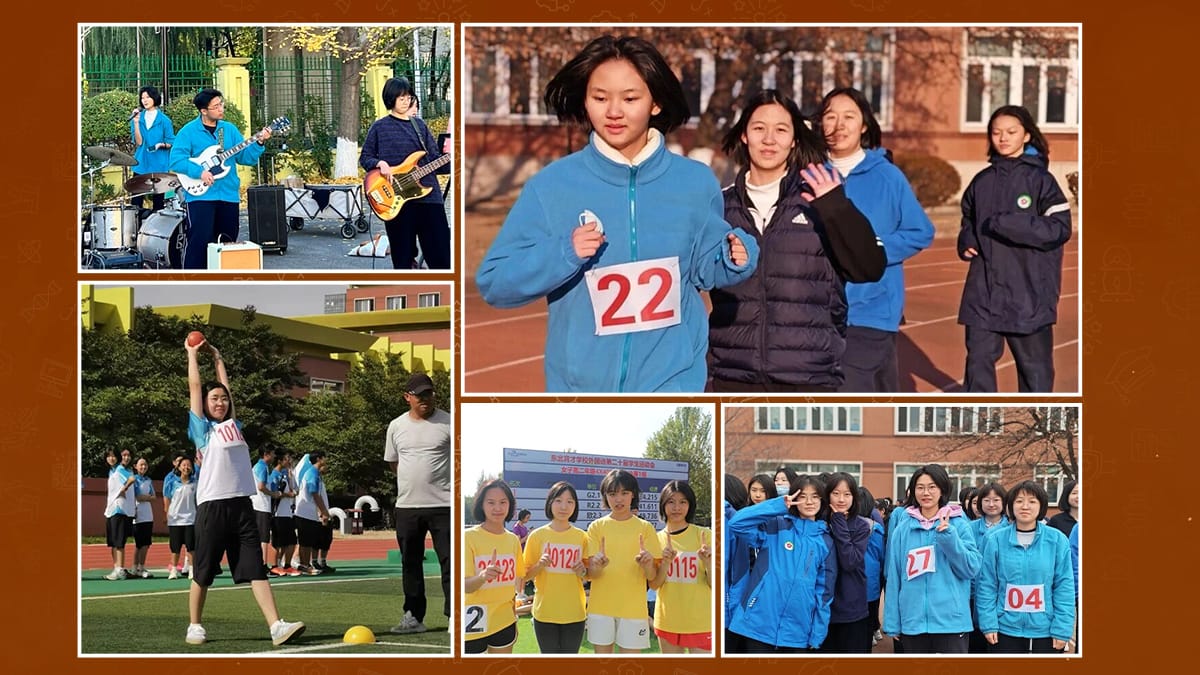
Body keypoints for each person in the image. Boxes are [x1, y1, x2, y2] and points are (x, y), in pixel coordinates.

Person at [476, 35, 759, 393]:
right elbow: (495, 282)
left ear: (655, 102)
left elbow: (705, 267)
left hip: (673, 385)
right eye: (599, 98)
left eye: (630, 98)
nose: (613, 112)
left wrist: (733, 257)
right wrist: (564, 253)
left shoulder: (695, 181)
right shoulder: (550, 187)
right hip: (580, 393)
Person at [708, 89, 885, 392]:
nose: (769, 139)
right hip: (733, 379)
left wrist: (836, 209)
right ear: (744, 136)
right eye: (759, 128)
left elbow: (869, 267)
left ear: (794, 140)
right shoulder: (718, 207)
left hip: (808, 381)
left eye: (781, 130)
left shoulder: (822, 201)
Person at [183, 336, 304, 647]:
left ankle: (276, 626)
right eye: (214, 399)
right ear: (205, 405)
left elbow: (228, 390)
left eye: (223, 398)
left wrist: (219, 358)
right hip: (212, 507)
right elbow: (195, 387)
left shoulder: (234, 425)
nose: (220, 402)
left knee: (254, 568)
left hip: (242, 507)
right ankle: (195, 624)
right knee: (204, 570)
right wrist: (193, 356)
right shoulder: (202, 430)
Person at [816, 87, 934, 392]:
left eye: (849, 117)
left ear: (864, 125)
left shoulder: (887, 176)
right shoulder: (810, 175)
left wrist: (874, 249)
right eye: (830, 117)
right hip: (819, 311)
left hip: (872, 309)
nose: (839, 125)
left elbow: (920, 231)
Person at [958, 105, 1072, 392]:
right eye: (996, 133)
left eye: (1011, 132)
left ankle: (1038, 429)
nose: (1003, 138)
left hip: (1028, 294)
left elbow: (1060, 228)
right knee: (978, 365)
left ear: (1026, 136)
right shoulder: (981, 181)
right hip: (983, 294)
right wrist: (967, 239)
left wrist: (1010, 224)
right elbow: (968, 218)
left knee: (1035, 374)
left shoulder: (1041, 181)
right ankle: (980, 429)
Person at [726, 475, 836, 653]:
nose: (809, 502)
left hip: (797, 632)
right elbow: (737, 523)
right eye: (802, 496)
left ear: (822, 501)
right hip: (758, 624)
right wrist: (777, 505)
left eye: (815, 496)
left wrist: (817, 633)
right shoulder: (776, 526)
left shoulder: (826, 541)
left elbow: (824, 592)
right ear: (793, 498)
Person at [169, 88, 272, 270]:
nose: (221, 108)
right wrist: (199, 172)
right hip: (201, 197)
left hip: (228, 195)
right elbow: (176, 160)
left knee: (227, 243)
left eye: (221, 104)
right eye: (216, 106)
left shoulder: (229, 130)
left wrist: (260, 143)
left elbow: (245, 158)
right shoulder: (188, 132)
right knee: (199, 242)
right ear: (203, 111)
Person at [882, 464, 980, 653]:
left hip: (951, 623)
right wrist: (893, 621)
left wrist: (949, 539)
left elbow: (971, 568)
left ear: (942, 489)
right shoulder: (903, 528)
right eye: (920, 487)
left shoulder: (959, 524)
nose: (926, 492)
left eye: (932, 486)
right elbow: (893, 576)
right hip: (913, 622)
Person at [384, 372, 452, 634]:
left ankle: (454, 616)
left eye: (429, 393)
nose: (425, 399)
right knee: (410, 564)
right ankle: (413, 616)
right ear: (407, 397)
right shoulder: (396, 426)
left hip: (444, 507)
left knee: (450, 562)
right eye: (419, 394)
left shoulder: (451, 422)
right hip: (407, 507)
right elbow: (393, 463)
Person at [359, 77, 451, 270]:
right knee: (402, 258)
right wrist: (379, 163)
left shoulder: (420, 126)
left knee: (441, 257)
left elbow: (435, 160)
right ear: (390, 99)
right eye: (401, 97)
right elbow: (365, 158)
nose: (406, 101)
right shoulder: (379, 127)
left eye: (408, 97)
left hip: (429, 198)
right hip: (395, 200)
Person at [977, 481, 1075, 653]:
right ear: (1011, 506)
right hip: (1004, 628)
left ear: (1041, 506)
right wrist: (988, 623)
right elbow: (987, 585)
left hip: (1046, 629)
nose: (1025, 506)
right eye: (1019, 501)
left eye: (1032, 501)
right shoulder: (996, 540)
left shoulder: (1057, 540)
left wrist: (1062, 627)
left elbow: (1064, 586)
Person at [584, 469, 663, 653]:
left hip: (633, 609)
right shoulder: (596, 527)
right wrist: (597, 565)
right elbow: (591, 576)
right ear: (605, 496)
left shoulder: (645, 528)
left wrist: (647, 564)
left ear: (632, 495)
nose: (618, 499)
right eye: (612, 494)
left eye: (624, 493)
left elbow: (652, 578)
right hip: (600, 608)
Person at [522, 481, 589, 654]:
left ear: (575, 506)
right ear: (550, 502)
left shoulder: (582, 537)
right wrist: (540, 565)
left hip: (575, 612)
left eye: (570, 501)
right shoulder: (537, 536)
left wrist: (581, 570)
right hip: (545, 612)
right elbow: (525, 576)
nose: (564, 506)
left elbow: (587, 576)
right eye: (558, 500)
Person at [649, 480, 712, 654]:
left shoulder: (705, 536)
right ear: (663, 505)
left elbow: (714, 584)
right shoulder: (655, 540)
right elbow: (654, 585)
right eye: (671, 501)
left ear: (690, 505)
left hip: (701, 622)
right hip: (667, 620)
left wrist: (708, 562)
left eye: (683, 502)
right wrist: (666, 563)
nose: (677, 507)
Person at [463, 479, 524, 654]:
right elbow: (465, 586)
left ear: (510, 506)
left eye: (503, 502)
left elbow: (517, 581)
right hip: (473, 620)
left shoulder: (513, 540)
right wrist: (483, 576)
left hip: (505, 621)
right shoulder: (468, 537)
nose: (497, 508)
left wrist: (514, 617)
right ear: (481, 505)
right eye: (491, 502)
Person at [822, 472, 872, 653]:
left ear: (854, 497)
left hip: (851, 607)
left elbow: (850, 561)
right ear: (827, 495)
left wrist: (839, 522)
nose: (841, 499)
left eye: (847, 494)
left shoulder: (861, 526)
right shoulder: (819, 522)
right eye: (836, 493)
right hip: (821, 606)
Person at [130, 85, 175, 213]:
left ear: (154, 98)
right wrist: (137, 123)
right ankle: (136, 227)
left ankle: (157, 230)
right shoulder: (137, 118)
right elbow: (139, 142)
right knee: (136, 200)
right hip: (141, 163)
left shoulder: (164, 120)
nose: (144, 100)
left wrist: (161, 145)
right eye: (142, 98)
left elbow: (171, 142)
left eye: (148, 97)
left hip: (159, 164)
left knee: (158, 202)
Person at [293, 451, 330, 575]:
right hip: (305, 513)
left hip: (309, 513)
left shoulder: (315, 474)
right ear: (319, 459)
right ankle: (306, 565)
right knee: (306, 542)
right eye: (324, 457)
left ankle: (305, 565)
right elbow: (314, 494)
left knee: (306, 541)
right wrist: (324, 511)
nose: (326, 460)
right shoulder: (312, 473)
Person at [102, 449, 136, 580]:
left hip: (119, 509)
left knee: (119, 541)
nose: (111, 458)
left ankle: (120, 569)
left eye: (113, 456)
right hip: (110, 509)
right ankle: (116, 567)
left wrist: (125, 487)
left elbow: (132, 478)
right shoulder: (111, 471)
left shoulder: (120, 469)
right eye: (108, 456)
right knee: (113, 541)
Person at [858, 486, 885, 647]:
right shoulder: (876, 528)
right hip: (871, 580)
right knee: (868, 621)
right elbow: (880, 554)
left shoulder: (844, 524)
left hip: (851, 581)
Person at [163, 456, 197, 580]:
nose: (186, 467)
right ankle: (173, 570)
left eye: (188, 465)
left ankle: (192, 570)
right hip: (175, 519)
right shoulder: (172, 482)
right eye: (183, 465)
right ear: (178, 467)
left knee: (191, 547)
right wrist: (167, 512)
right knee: (175, 548)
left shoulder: (195, 482)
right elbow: (167, 497)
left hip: (190, 519)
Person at [268, 451, 299, 577]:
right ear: (280, 461)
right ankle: (274, 566)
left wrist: (291, 479)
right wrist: (287, 495)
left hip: (289, 513)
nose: (289, 460)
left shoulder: (287, 474)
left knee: (291, 541)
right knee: (278, 542)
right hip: (278, 514)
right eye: (287, 459)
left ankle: (287, 565)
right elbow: (274, 493)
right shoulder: (274, 474)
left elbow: (295, 489)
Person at [251, 447, 278, 571]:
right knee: (263, 537)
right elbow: (261, 486)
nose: (273, 457)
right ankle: (262, 564)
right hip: (261, 505)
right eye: (272, 454)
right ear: (266, 454)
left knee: (258, 536)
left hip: (256, 505)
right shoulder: (262, 467)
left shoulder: (257, 466)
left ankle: (257, 563)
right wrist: (273, 494)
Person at [131, 457, 157, 578]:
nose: (143, 467)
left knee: (146, 544)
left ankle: (141, 567)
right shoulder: (134, 479)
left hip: (148, 515)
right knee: (139, 544)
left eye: (145, 464)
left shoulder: (148, 480)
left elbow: (154, 496)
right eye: (141, 465)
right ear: (135, 466)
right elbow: (138, 497)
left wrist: (145, 497)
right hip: (137, 515)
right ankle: (135, 567)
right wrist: (146, 497)